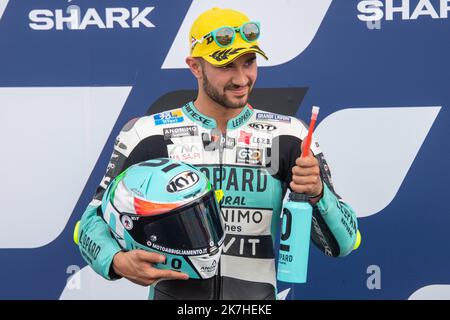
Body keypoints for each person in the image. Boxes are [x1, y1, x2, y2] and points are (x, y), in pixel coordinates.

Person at [77, 7, 358, 300]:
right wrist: (117, 261)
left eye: (248, 63)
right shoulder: (148, 133)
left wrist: (317, 193)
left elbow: (344, 243)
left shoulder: (290, 136)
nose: (241, 78)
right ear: (195, 67)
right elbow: (91, 221)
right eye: (226, 67)